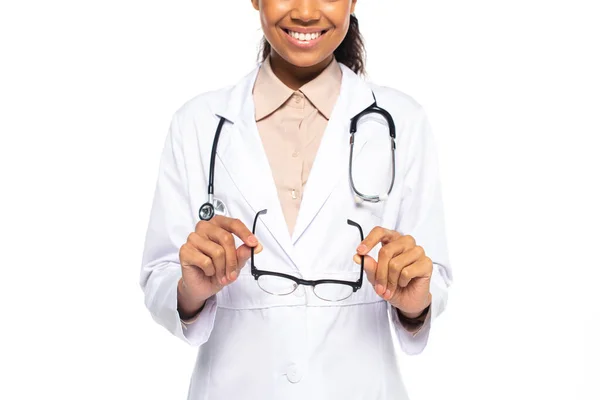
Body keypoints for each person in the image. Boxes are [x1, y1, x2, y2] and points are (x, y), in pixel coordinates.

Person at [140, 1, 452, 398]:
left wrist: (415, 301)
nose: (305, 12)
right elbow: (158, 275)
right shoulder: (198, 123)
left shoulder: (403, 121)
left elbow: (434, 278)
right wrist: (191, 290)